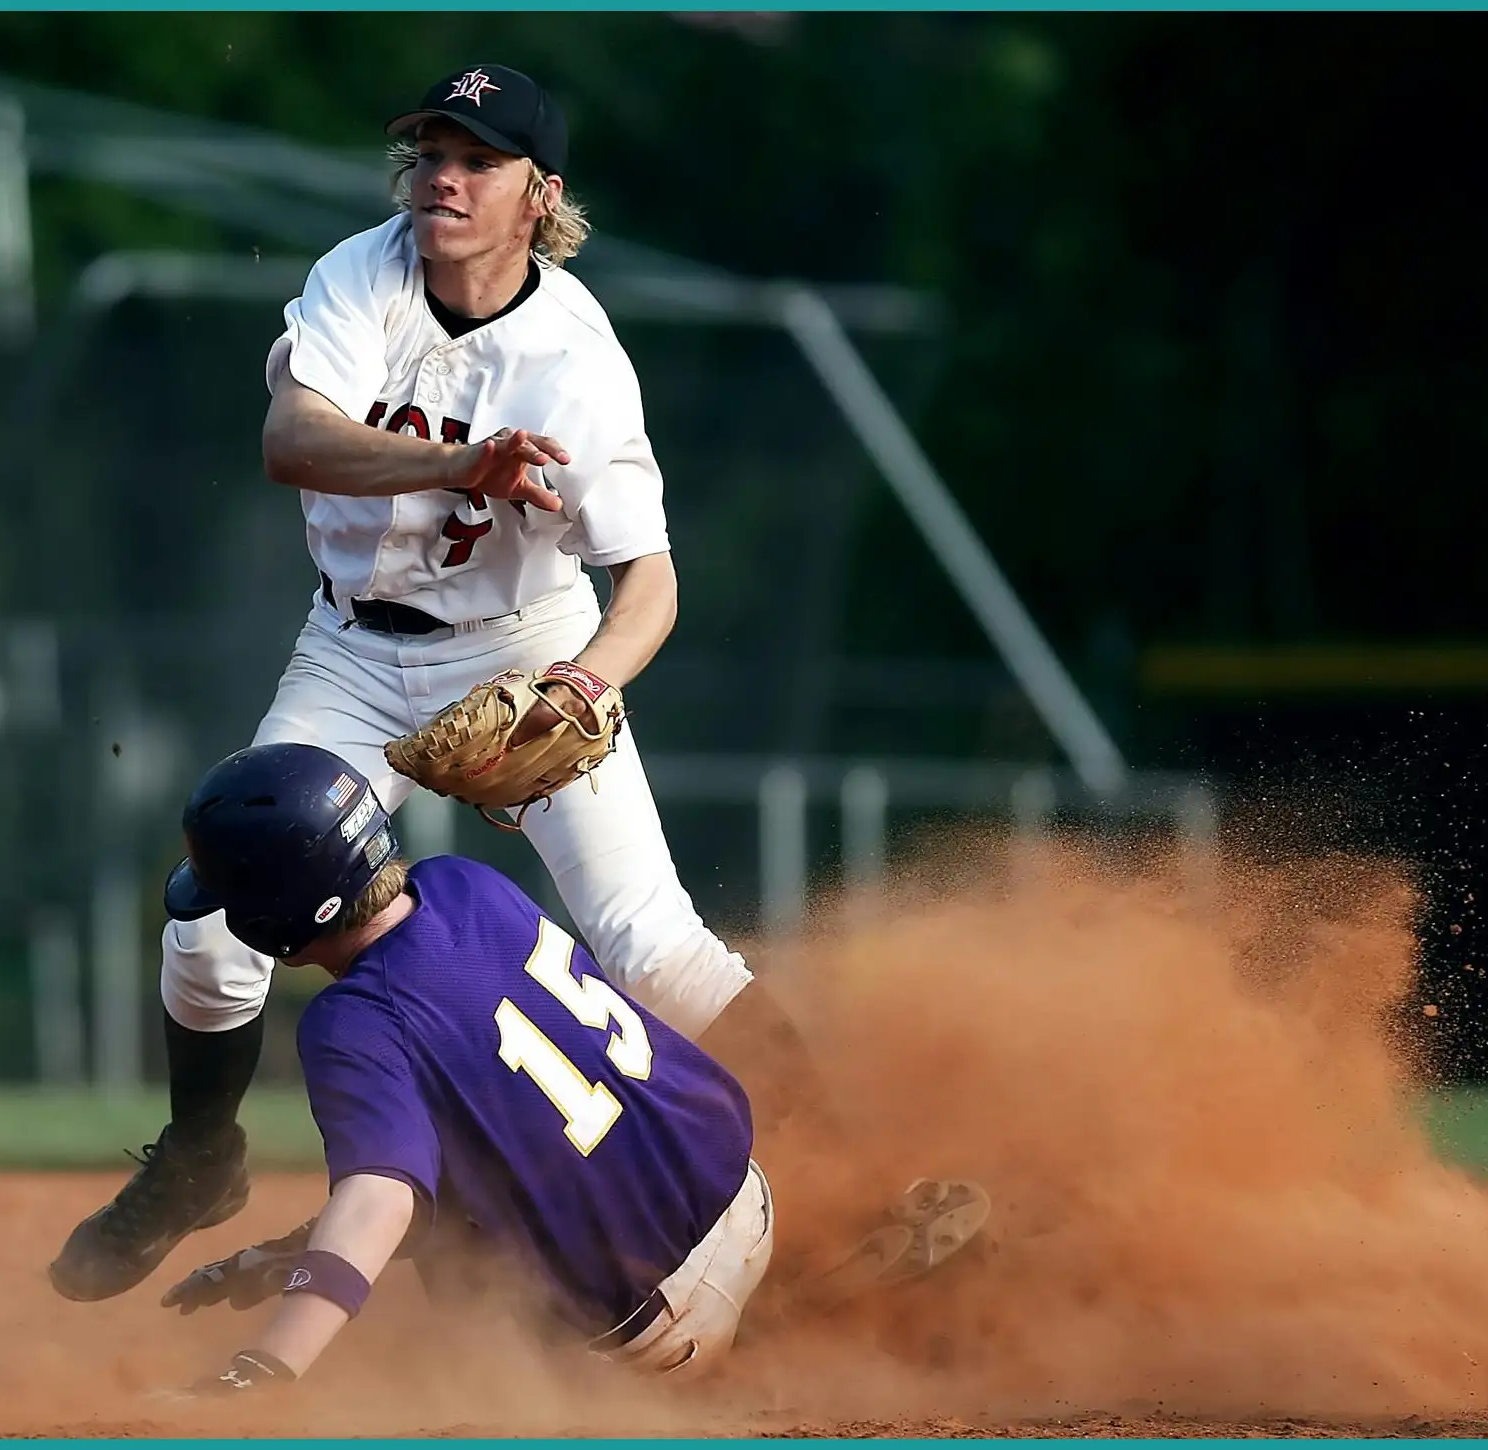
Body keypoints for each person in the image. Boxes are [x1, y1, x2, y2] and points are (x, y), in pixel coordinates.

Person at [48, 61, 962, 1306]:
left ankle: (873, 1186)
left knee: (652, 943)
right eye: (430, 151)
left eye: (476, 160)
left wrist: (583, 688)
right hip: (351, 654)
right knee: (212, 924)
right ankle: (201, 1153)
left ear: (541, 194)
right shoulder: (360, 274)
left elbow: (651, 586)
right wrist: (472, 463)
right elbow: (289, 441)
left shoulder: (575, 359)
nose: (443, 177)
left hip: (522, 644)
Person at [152, 743, 774, 1390]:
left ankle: (664, 1380)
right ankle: (789, 1307)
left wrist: (264, 1369)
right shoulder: (464, 883)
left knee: (460, 1277)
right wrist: (288, 1256)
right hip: (748, 1198)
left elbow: (382, 1201)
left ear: (269, 918)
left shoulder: (352, 1020)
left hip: (657, 1328)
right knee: (468, 1158)